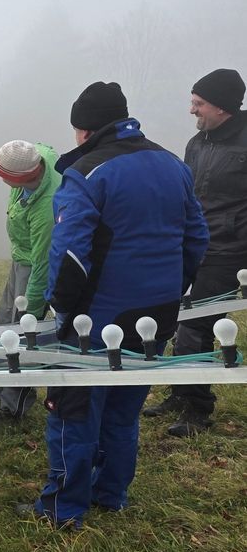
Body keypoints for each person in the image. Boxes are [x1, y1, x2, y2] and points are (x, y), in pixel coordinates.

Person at [18, 82, 208, 529]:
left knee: (73, 412)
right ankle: (112, 494)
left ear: (83, 129)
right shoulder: (173, 164)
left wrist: (63, 312)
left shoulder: (87, 172)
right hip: (158, 313)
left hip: (98, 318)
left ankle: (63, 509)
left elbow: (69, 255)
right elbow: (196, 237)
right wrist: (172, 289)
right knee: (124, 411)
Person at [143, 68, 247, 436]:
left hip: (230, 250)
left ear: (222, 107)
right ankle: (181, 391)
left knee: (195, 322)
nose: (192, 110)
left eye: (198, 103)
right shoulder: (197, 142)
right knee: (179, 317)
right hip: (192, 245)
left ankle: (196, 408)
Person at [0, 140, 60, 428]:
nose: (2, 181)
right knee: (1, 323)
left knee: (20, 336)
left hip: (34, 267)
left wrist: (29, 313)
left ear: (20, 178)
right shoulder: (31, 163)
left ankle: (13, 408)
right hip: (20, 259)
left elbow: (43, 265)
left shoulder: (46, 207)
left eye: (4, 176)